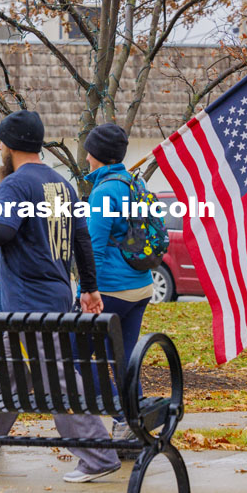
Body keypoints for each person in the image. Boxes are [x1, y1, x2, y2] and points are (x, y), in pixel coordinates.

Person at [0, 110, 122, 483]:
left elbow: (3, 231)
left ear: (8, 147)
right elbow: (81, 240)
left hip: (28, 300)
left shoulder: (16, 184)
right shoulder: (61, 184)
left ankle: (98, 454)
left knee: (55, 377)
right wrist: (88, 288)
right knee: (13, 375)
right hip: (54, 292)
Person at [82, 123, 154, 445]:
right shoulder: (133, 183)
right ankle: (133, 424)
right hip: (140, 287)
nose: (85, 156)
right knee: (123, 361)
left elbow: (93, 247)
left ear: (97, 155)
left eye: (89, 150)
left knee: (76, 361)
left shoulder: (105, 191)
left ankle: (122, 415)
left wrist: (88, 290)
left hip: (111, 290)